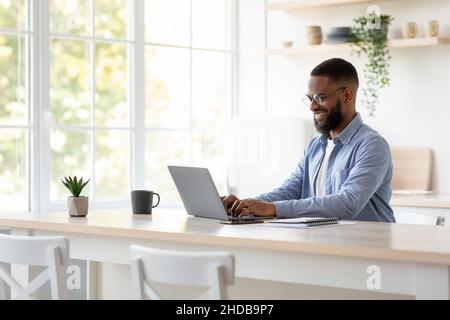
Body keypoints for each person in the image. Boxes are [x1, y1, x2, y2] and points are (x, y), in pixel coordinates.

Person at [222, 58, 395, 222]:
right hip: (327, 242)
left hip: (369, 248)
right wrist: (244, 205)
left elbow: (347, 203)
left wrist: (273, 208)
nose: (312, 106)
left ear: (347, 96)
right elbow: (290, 190)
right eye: (310, 98)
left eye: (321, 97)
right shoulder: (315, 145)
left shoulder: (372, 145)